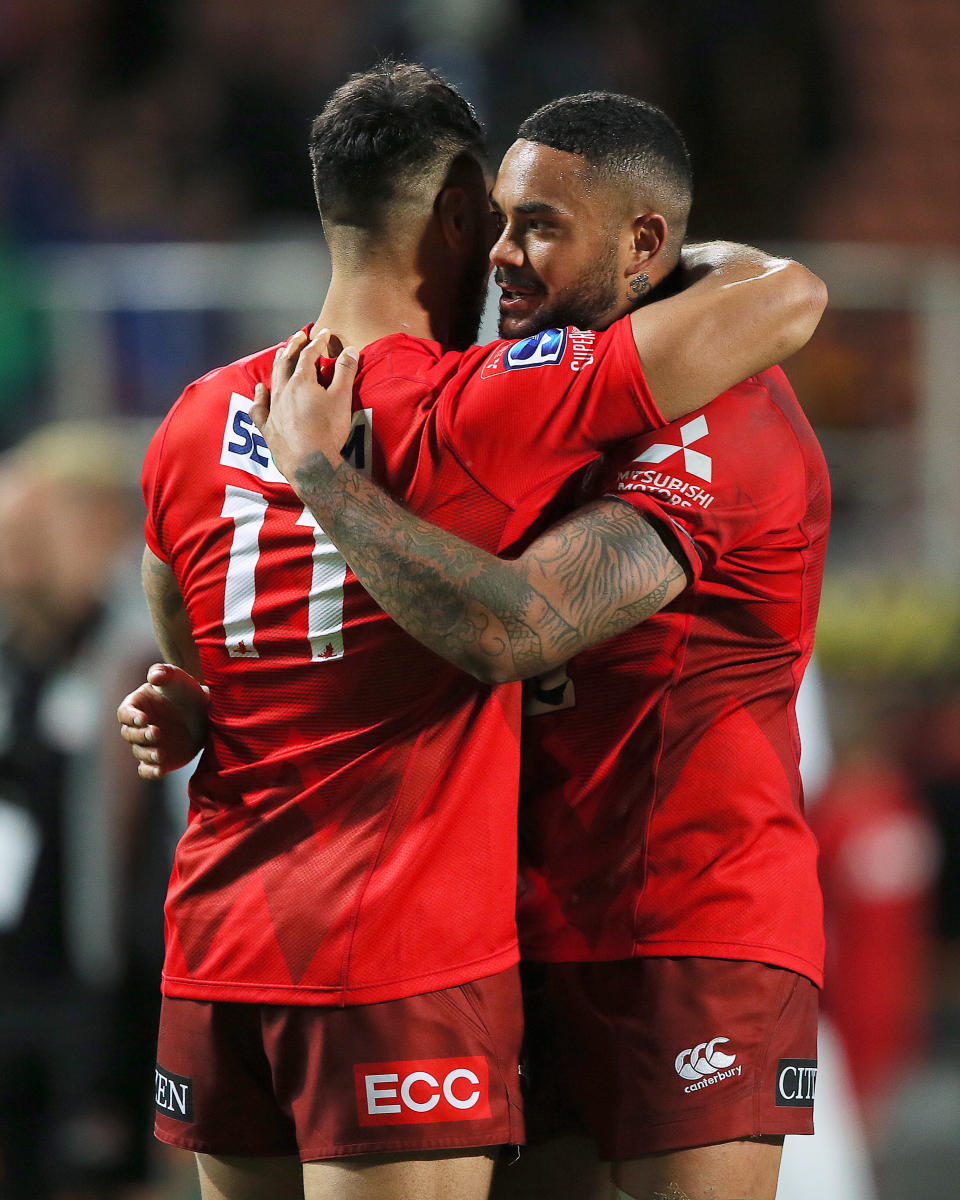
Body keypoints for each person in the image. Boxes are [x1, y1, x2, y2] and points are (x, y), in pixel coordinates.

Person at [118, 65, 825, 1200]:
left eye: (534, 227)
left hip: (681, 927)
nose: (502, 254)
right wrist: (214, 694)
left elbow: (516, 628)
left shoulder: (210, 409)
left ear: (644, 242)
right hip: (493, 926)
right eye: (495, 220)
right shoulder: (496, 398)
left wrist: (310, 486)